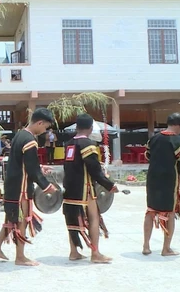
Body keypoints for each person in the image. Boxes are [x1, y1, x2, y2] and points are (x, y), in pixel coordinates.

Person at [0, 108, 57, 266]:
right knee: (22, 220)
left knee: (12, 217)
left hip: (13, 184)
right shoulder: (30, 140)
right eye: (45, 127)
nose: (45, 130)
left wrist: (39, 168)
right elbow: (32, 169)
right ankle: (20, 257)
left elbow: (25, 164)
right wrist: (46, 186)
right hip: (21, 188)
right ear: (39, 123)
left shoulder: (20, 135)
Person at [62, 113, 119, 263]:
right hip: (84, 190)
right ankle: (95, 254)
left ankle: (74, 252)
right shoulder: (89, 145)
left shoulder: (68, 144)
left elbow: (70, 166)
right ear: (91, 127)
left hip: (69, 188)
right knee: (94, 219)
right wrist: (110, 185)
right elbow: (95, 171)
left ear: (77, 126)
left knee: (72, 220)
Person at [143, 112, 180, 256]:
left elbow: (147, 155)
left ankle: (146, 246)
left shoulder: (153, 139)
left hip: (152, 180)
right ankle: (166, 248)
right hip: (169, 182)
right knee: (170, 213)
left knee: (150, 211)